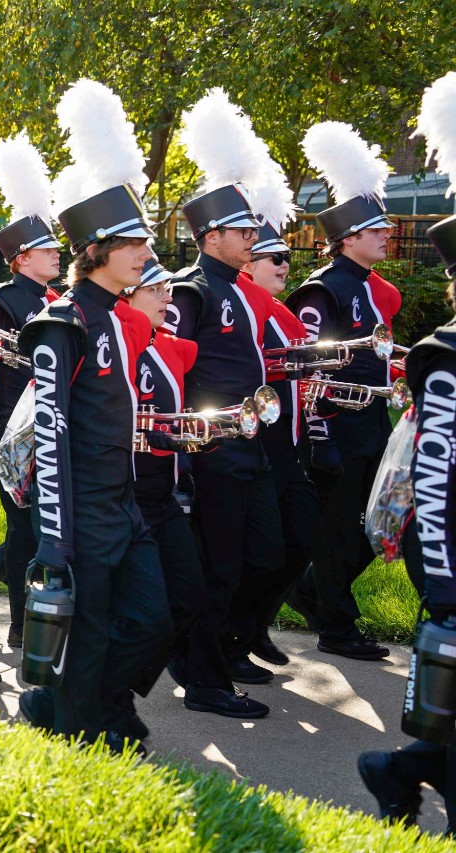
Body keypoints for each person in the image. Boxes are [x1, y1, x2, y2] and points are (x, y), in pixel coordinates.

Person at [17, 79, 173, 750]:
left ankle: (93, 705)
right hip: (79, 514)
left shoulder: (117, 315)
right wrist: (54, 538)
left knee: (155, 623)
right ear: (99, 249)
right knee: (91, 638)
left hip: (124, 505)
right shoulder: (64, 322)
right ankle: (79, 738)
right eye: (134, 242)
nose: (146, 252)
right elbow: (47, 435)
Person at [165, 96, 280, 717]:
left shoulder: (238, 288)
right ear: (211, 236)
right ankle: (204, 680)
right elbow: (172, 371)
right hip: (212, 447)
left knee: (263, 554)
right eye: (243, 231)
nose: (254, 239)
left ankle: (209, 651)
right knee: (218, 568)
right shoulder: (194, 289)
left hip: (250, 441)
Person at [286, 120, 401, 662]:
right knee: (337, 530)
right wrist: (320, 436)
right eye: (375, 230)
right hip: (336, 428)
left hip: (371, 426)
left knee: (378, 525)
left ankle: (314, 589)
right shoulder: (324, 288)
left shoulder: (369, 290)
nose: (387, 236)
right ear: (348, 238)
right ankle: (335, 624)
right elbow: (310, 369)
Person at [357, 210, 456, 832]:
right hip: (447, 543)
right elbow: (437, 478)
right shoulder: (444, 356)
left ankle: (398, 771)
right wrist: (445, 591)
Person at [0, 132, 62, 645]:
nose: (58, 254)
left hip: (50, 418)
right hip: (13, 424)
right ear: (21, 257)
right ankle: (24, 628)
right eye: (47, 248)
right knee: (28, 526)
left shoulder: (56, 298)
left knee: (48, 525)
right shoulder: (1, 301)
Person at [226, 194, 320, 673]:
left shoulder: (276, 309)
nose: (287, 265)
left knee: (302, 537)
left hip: (289, 446)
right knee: (258, 550)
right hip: (260, 443)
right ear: (250, 266)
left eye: (287, 257)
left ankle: (255, 625)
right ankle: (237, 638)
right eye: (276, 258)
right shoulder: (245, 305)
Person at [121, 258, 209, 738]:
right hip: (125, 496)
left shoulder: (167, 347)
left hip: (163, 492)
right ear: (129, 294)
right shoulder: (114, 343)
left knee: (189, 596)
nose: (169, 300)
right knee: (143, 611)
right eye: (157, 290)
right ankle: (103, 699)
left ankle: (113, 691)